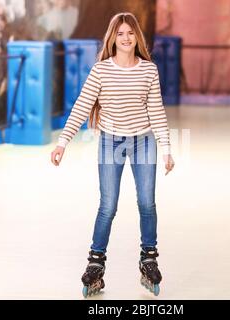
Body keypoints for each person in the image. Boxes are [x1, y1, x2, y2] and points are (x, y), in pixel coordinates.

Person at [50, 12, 175, 297]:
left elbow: (156, 111)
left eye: (131, 33)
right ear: (113, 38)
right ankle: (95, 264)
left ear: (137, 37)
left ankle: (149, 260)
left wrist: (166, 149)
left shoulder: (148, 70)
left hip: (143, 141)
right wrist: (63, 142)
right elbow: (82, 105)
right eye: (120, 33)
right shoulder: (101, 71)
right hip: (111, 141)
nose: (126, 37)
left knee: (147, 202)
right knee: (108, 205)